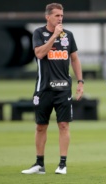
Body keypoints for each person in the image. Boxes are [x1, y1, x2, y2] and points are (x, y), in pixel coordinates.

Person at [21, 3, 84, 175]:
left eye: (62, 15)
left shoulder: (68, 36)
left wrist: (80, 82)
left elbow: (75, 59)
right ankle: (39, 164)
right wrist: (54, 36)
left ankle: (62, 164)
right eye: (57, 15)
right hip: (43, 89)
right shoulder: (38, 33)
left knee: (63, 125)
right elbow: (40, 54)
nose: (60, 18)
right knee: (41, 126)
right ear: (47, 17)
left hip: (63, 89)